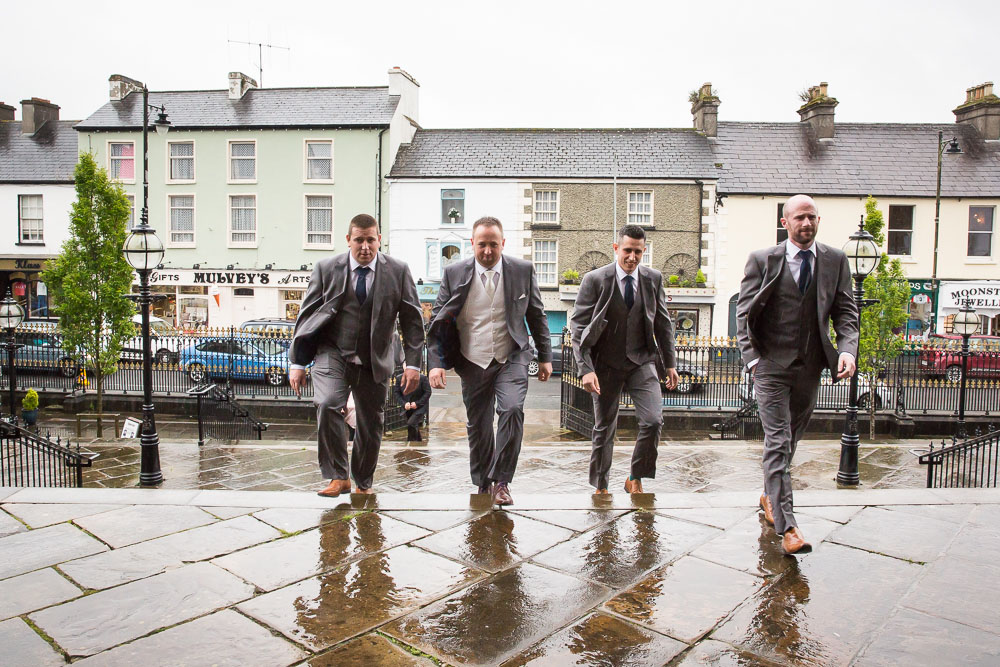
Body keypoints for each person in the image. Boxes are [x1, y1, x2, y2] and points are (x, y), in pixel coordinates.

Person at [737, 194, 859, 555]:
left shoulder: (836, 260)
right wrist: (753, 361)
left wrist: (847, 350)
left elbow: (846, 313)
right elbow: (744, 316)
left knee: (790, 441)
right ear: (785, 222)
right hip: (771, 367)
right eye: (799, 218)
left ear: (818, 221)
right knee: (777, 440)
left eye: (811, 218)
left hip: (811, 368)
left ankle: (769, 494)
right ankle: (789, 528)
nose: (806, 224)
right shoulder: (763, 260)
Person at [289, 213, 425, 497]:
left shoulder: (398, 271)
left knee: (371, 421)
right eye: (359, 240)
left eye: (371, 240)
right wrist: (298, 362)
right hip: (332, 351)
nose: (365, 246)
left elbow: (412, 321)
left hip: (374, 357)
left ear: (379, 241)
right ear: (348, 240)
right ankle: (339, 476)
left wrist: (413, 365)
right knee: (327, 403)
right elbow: (307, 314)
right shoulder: (326, 268)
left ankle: (363, 481)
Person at [427, 216, 551, 506]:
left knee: (511, 410)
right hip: (471, 358)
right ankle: (483, 482)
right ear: (472, 243)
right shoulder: (454, 272)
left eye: (493, 245)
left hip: (512, 355)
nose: (487, 251)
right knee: (478, 425)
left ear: (503, 243)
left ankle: (502, 483)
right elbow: (438, 320)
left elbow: (536, 314)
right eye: (481, 245)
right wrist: (435, 362)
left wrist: (545, 357)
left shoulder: (522, 270)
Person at [570, 224, 680, 495]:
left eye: (638, 252)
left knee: (653, 420)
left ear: (644, 251)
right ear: (616, 248)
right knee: (605, 426)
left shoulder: (653, 279)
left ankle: (635, 476)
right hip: (605, 363)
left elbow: (663, 324)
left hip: (641, 361)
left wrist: (670, 363)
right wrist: (585, 368)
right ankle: (601, 485)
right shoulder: (595, 280)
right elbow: (578, 327)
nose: (632, 257)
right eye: (628, 251)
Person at [394, 370, 431, 441]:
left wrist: (418, 403)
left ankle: (412, 443)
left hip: (420, 406)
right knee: (413, 425)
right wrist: (404, 403)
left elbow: (428, 392)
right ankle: (418, 441)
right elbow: (397, 393)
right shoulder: (399, 378)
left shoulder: (422, 378)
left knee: (411, 423)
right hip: (408, 407)